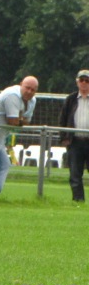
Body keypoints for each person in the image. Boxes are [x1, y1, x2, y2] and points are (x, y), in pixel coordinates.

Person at [0, 77, 38, 195]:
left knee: (0, 164)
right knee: (1, 164)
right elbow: (13, 121)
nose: (29, 92)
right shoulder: (12, 95)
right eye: (27, 88)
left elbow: (25, 121)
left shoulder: (32, 100)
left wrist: (17, 119)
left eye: (33, 89)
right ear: (21, 84)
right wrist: (17, 120)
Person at [59, 70, 89, 202]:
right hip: (75, 141)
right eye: (81, 80)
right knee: (75, 175)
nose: (84, 83)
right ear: (77, 82)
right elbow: (63, 119)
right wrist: (64, 138)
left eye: (87, 80)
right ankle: (78, 200)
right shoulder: (70, 99)